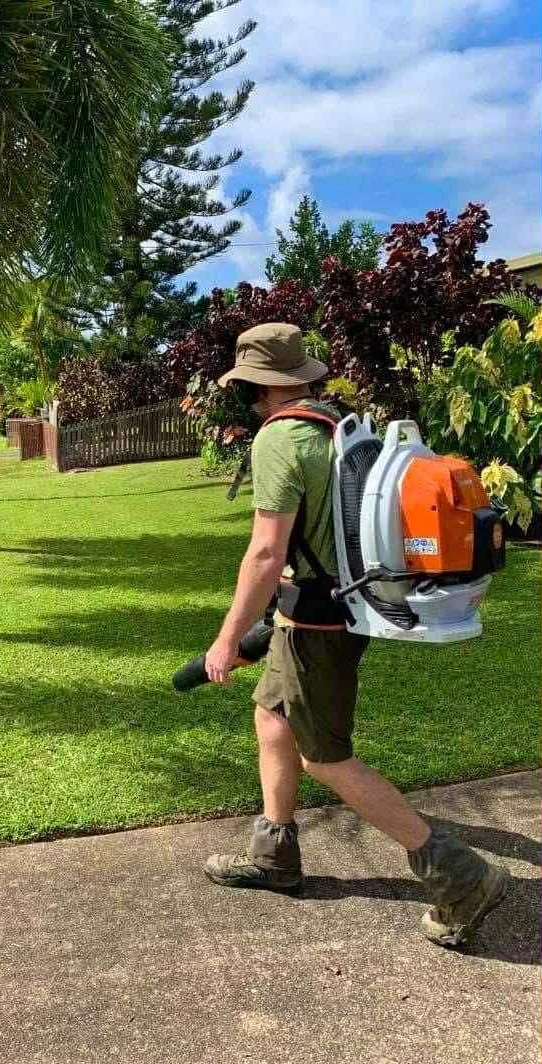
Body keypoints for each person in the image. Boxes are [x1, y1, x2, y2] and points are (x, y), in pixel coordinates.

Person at [202, 322, 510, 947]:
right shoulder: (337, 428)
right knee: (272, 716)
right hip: (338, 609)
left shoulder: (280, 440)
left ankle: (457, 873)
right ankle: (275, 853)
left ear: (256, 388)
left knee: (326, 758)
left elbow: (266, 552)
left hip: (317, 622)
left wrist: (227, 636)